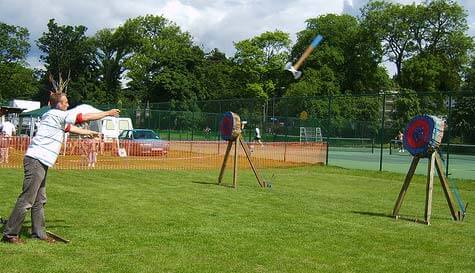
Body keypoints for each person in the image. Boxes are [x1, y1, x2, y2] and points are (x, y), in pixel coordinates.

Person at [1, 91, 120, 244]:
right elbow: (83, 117)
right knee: (27, 200)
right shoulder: (56, 114)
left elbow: (70, 128)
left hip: (40, 161)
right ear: (59, 105)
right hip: (36, 160)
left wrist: (88, 132)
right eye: (66, 102)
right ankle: (10, 234)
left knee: (39, 200)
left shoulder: (53, 117)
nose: (68, 105)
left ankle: (39, 233)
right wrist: (107, 113)